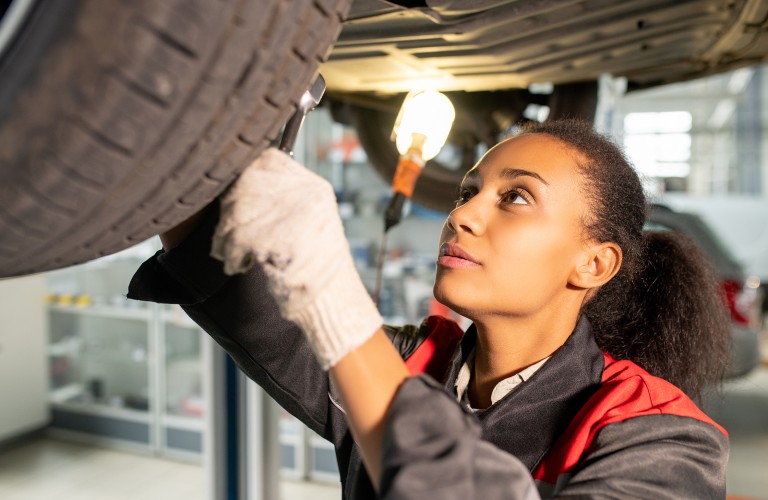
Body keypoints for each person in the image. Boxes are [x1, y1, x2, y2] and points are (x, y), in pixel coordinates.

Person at [128, 119, 731, 498]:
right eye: (469, 192)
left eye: (515, 197)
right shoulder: (410, 360)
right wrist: (180, 137)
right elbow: (240, 297)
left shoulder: (666, 439)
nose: (461, 215)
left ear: (594, 264)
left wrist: (335, 299)